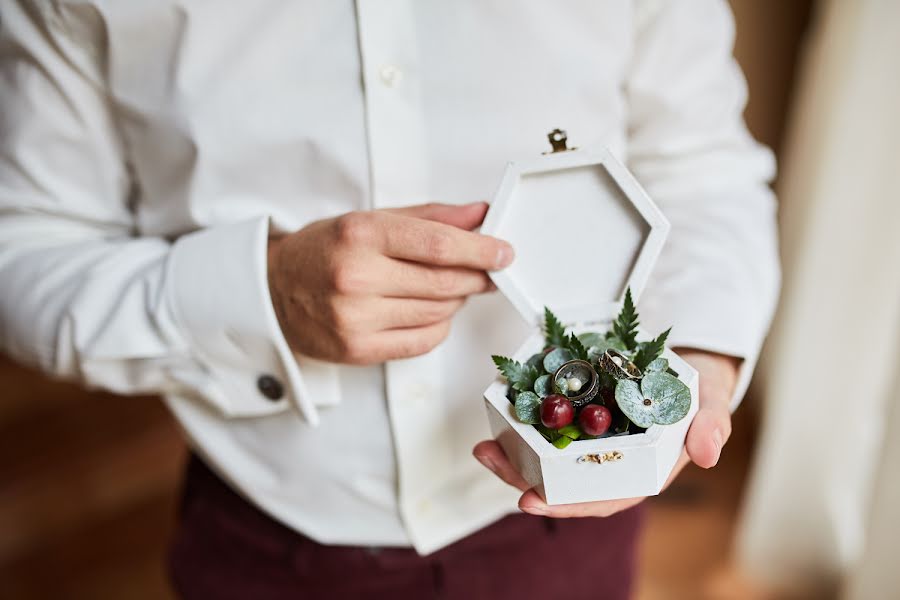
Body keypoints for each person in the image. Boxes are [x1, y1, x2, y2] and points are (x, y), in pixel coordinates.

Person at [0, 1, 779, 598]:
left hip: (565, 542)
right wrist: (258, 292)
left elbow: (702, 172)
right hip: (264, 532)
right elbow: (24, 247)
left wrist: (702, 366)